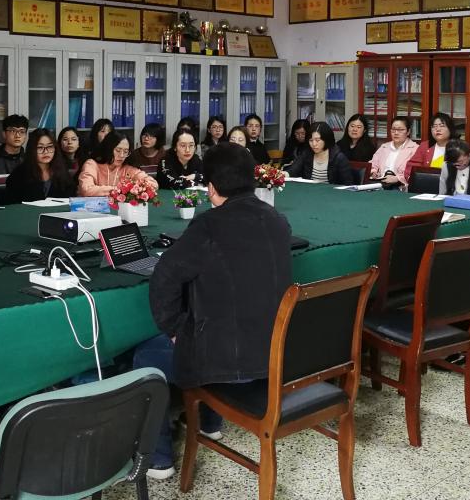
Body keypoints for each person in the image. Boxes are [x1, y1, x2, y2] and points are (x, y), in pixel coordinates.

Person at [137, 143, 293, 479]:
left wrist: (175, 329)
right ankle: (209, 424)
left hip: (229, 360)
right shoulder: (277, 220)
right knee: (223, 316)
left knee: (146, 357)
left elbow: (164, 279)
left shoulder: (209, 225)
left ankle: (159, 459)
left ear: (210, 187)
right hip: (274, 354)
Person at [77, 131, 158, 197]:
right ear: (108, 148)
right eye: (118, 150)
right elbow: (86, 190)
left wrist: (133, 189)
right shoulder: (92, 164)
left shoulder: (127, 168)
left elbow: (153, 184)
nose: (122, 155)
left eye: (125, 152)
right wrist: (120, 190)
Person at [5, 129, 75, 203]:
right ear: (32, 150)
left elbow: (70, 199)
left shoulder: (62, 171)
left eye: (50, 147)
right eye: (40, 147)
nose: (46, 152)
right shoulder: (19, 175)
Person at [287, 121, 357, 184]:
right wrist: (284, 174)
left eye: (317, 140)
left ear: (326, 140)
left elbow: (348, 184)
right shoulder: (306, 154)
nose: (314, 144)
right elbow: (293, 171)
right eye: (311, 140)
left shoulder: (339, 158)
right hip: (309, 191)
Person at [369, 116, 419, 189]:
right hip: (380, 184)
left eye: (400, 130)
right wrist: (373, 172)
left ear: (408, 132)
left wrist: (397, 178)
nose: (396, 133)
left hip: (400, 187)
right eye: (393, 129)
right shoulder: (384, 147)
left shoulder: (415, 149)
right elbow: (373, 164)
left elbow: (414, 173)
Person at [405, 112, 456, 177]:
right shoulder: (425, 146)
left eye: (442, 126)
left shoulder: (458, 147)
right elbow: (412, 167)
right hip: (427, 182)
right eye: (434, 126)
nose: (438, 129)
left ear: (450, 129)